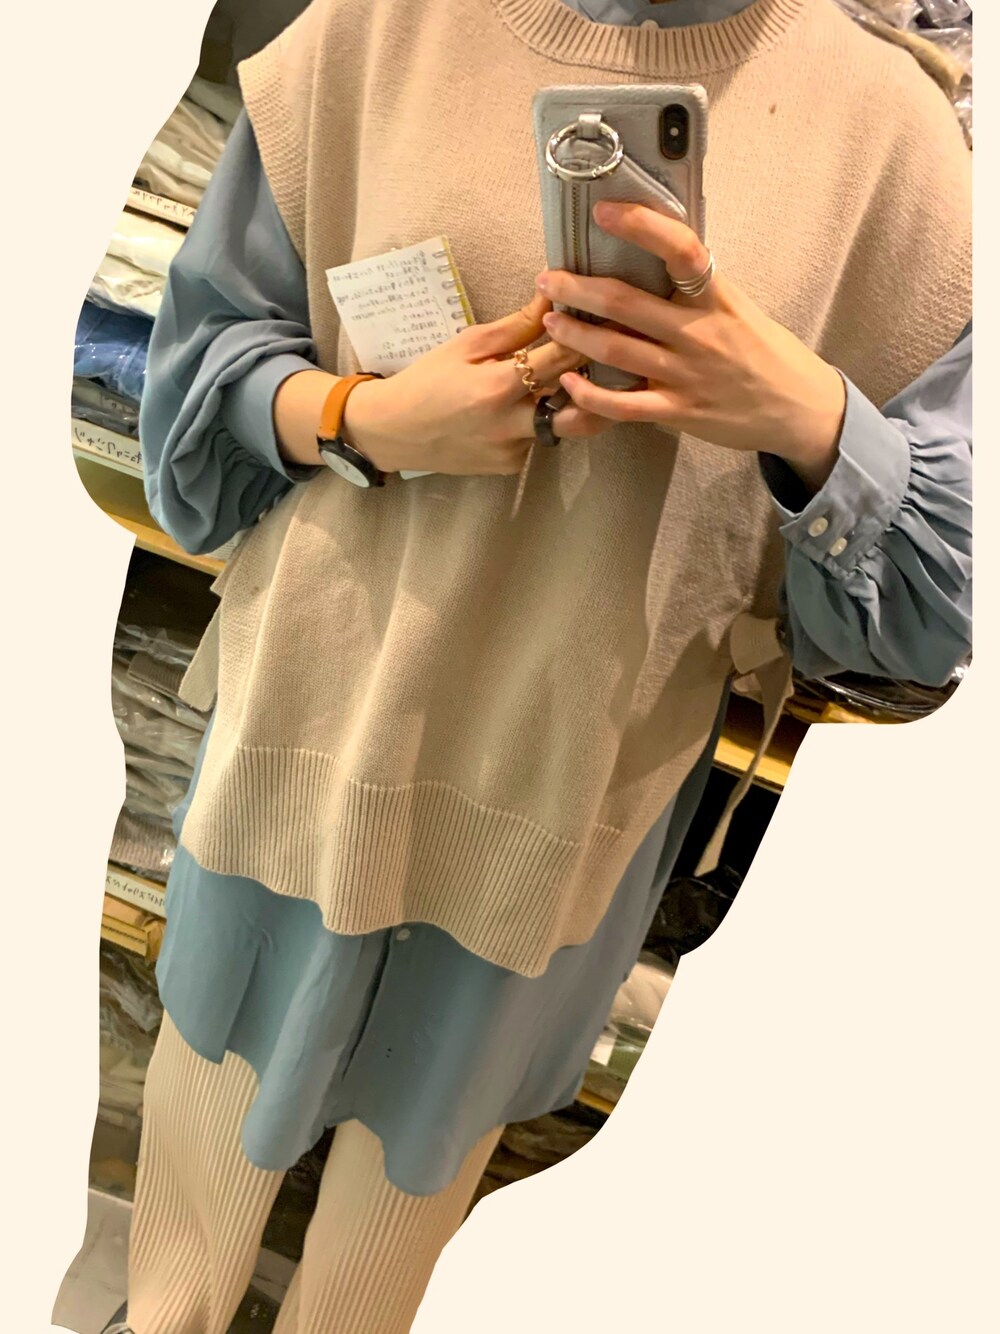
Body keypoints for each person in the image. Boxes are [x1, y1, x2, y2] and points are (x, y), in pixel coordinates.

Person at [95, 0, 971, 1330]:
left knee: (379, 1259)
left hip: (558, 824)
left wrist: (806, 416)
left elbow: (926, 622)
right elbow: (194, 394)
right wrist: (372, 418)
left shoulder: (896, 145)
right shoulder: (379, 24)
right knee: (183, 1234)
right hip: (302, 744)